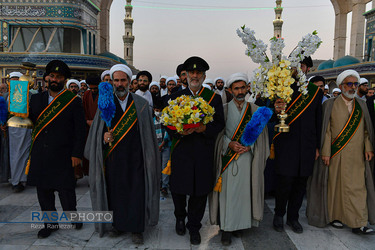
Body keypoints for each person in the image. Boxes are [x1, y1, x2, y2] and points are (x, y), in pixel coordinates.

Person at [85, 64, 160, 244]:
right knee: (115, 193)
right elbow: (95, 135)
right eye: (116, 80)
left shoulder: (141, 104)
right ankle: (117, 225)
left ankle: (136, 229)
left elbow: (148, 135)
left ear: (129, 82)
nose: (119, 84)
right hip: (113, 159)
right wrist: (103, 137)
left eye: (123, 80)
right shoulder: (105, 104)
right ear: (111, 82)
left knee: (136, 193)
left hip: (137, 159)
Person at [308, 69, 375, 234]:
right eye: (349, 84)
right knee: (335, 186)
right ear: (340, 86)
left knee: (358, 187)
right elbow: (327, 130)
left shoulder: (362, 105)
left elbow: (367, 130)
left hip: (357, 155)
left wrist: (368, 147)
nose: (352, 87)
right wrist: (325, 152)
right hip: (335, 153)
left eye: (355, 84)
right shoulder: (329, 104)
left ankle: (358, 222)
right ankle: (335, 217)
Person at [166, 56, 225, 245]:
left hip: (202, 152)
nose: (195, 75)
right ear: (186, 75)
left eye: (198, 72)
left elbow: (219, 125)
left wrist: (204, 128)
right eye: (191, 72)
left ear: (204, 75)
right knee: (178, 189)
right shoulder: (176, 97)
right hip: (181, 151)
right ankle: (180, 217)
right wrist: (178, 131)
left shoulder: (214, 99)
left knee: (199, 192)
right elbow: (167, 122)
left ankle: (194, 226)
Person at [209, 73, 270, 246]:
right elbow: (217, 135)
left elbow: (262, 138)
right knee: (228, 195)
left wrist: (250, 146)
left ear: (248, 87)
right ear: (230, 90)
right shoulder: (223, 109)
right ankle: (227, 229)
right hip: (227, 159)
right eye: (236, 88)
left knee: (244, 194)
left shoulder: (255, 110)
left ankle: (241, 225)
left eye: (243, 87)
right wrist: (229, 144)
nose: (240, 91)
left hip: (247, 159)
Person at [27, 59, 86, 238]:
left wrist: (77, 154)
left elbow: (80, 130)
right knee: (43, 192)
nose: (54, 79)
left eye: (59, 77)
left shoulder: (73, 101)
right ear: (46, 78)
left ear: (65, 80)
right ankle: (50, 224)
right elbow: (28, 121)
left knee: (66, 190)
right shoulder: (36, 99)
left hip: (63, 154)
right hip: (41, 153)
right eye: (52, 75)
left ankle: (72, 215)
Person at [272, 57, 323, 234]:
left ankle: (293, 217)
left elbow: (319, 121)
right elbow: (271, 115)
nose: (298, 69)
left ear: (308, 69)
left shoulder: (315, 92)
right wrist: (275, 110)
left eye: (302, 65)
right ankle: (279, 214)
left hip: (307, 145)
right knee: (285, 181)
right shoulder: (282, 88)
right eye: (295, 65)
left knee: (300, 184)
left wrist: (317, 147)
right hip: (286, 143)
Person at [81, 76, 100, 176]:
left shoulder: (104, 94)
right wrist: (87, 121)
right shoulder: (86, 94)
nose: (93, 90)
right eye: (91, 88)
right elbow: (83, 110)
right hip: (88, 127)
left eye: (95, 89)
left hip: (100, 128)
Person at [153, 98, 171, 197]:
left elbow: (168, 133)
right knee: (157, 165)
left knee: (165, 166)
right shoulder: (152, 121)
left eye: (160, 110)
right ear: (154, 110)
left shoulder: (166, 120)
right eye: (156, 110)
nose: (158, 112)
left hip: (165, 146)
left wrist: (163, 143)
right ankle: (158, 184)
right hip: (156, 147)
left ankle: (164, 186)